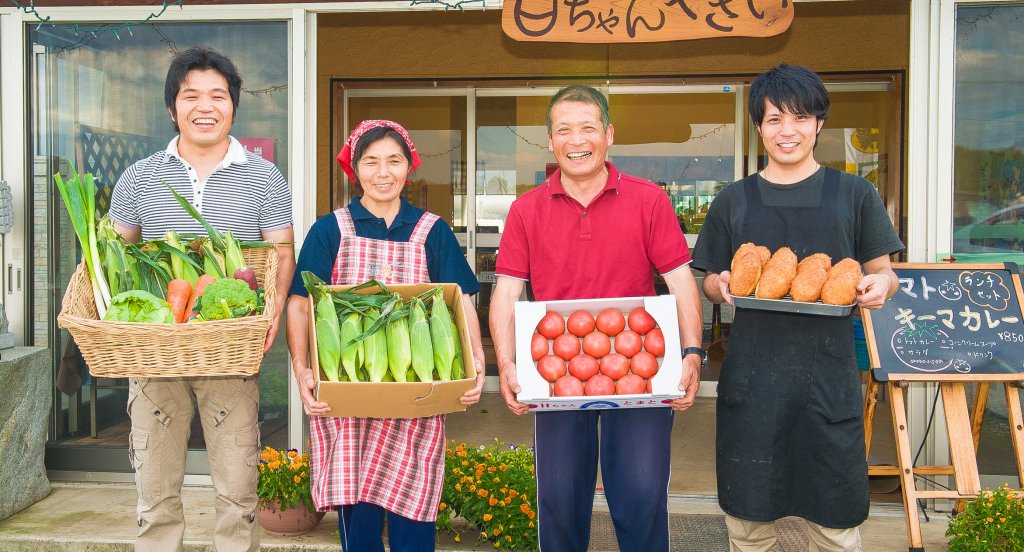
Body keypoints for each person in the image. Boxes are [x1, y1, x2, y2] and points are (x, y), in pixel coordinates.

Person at [691, 63, 904, 551]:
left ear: (819, 123)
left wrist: (879, 288)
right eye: (773, 120)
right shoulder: (733, 200)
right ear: (759, 127)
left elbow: (885, 273)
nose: (788, 131)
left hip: (827, 379)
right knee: (749, 521)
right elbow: (710, 284)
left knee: (834, 519)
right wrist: (720, 287)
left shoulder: (855, 194)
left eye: (800, 117)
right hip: (753, 381)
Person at [488, 85, 704, 552]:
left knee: (642, 498)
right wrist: (507, 363)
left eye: (588, 127)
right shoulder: (526, 209)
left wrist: (691, 352)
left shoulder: (648, 200)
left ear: (609, 134)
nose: (576, 139)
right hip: (555, 373)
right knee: (560, 500)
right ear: (549, 140)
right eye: (563, 129)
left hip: (640, 372)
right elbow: (507, 291)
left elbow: (680, 281)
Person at [107, 46, 295, 551]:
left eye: (218, 95)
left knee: (238, 493)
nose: (205, 106)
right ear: (173, 108)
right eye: (191, 95)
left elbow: (281, 254)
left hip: (229, 354)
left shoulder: (263, 177)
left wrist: (272, 311)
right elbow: (113, 258)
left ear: (233, 106)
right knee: (155, 493)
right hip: (154, 355)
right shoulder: (139, 176)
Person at [284, 119, 486, 552]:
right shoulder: (331, 229)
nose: (383, 172)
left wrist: (476, 367)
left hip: (415, 395)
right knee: (359, 519)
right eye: (371, 161)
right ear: (354, 170)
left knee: (414, 512)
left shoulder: (432, 230)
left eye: (394, 160)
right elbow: (301, 303)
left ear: (408, 167)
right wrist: (302, 368)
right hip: (349, 393)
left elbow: (461, 299)